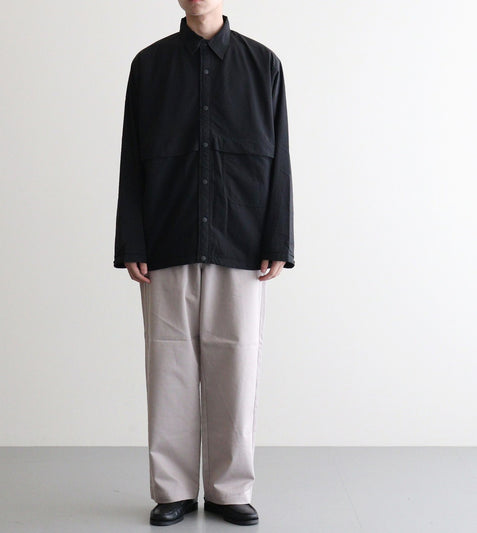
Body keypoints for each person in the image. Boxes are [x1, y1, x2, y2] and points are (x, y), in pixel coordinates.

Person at [114, 0, 294, 526]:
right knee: (169, 366)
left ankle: (229, 490)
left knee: (236, 364)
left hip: (241, 242)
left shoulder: (263, 64)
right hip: (166, 238)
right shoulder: (149, 66)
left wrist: (278, 239)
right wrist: (132, 242)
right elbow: (131, 158)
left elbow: (280, 158)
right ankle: (172, 489)